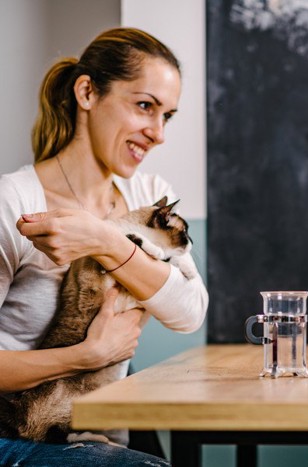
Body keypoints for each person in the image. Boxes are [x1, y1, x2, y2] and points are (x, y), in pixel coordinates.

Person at [0, 27, 208, 465]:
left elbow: (190, 311)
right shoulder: (15, 202)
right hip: (15, 433)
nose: (158, 133)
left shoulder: (147, 198)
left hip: (91, 428)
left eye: (167, 115)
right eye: (145, 106)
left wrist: (105, 239)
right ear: (87, 92)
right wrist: (86, 355)